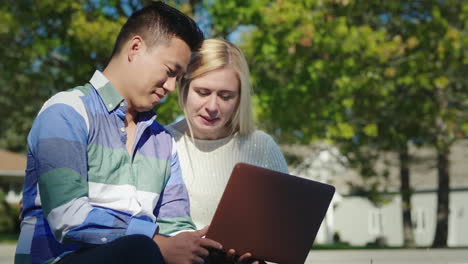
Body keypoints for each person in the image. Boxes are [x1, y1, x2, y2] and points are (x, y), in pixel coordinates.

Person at [15, 3, 241, 264]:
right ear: (136, 48)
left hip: (141, 256)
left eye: (178, 78)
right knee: (139, 250)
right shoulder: (67, 111)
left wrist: (217, 254)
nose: (170, 87)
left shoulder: (163, 141)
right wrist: (155, 242)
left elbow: (175, 227)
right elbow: (68, 217)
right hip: (62, 260)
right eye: (170, 72)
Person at [166, 39, 289, 234]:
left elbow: (285, 225)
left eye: (225, 96)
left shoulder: (261, 146)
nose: (212, 107)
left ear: (240, 98)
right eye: (203, 92)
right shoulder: (161, 142)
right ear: (184, 88)